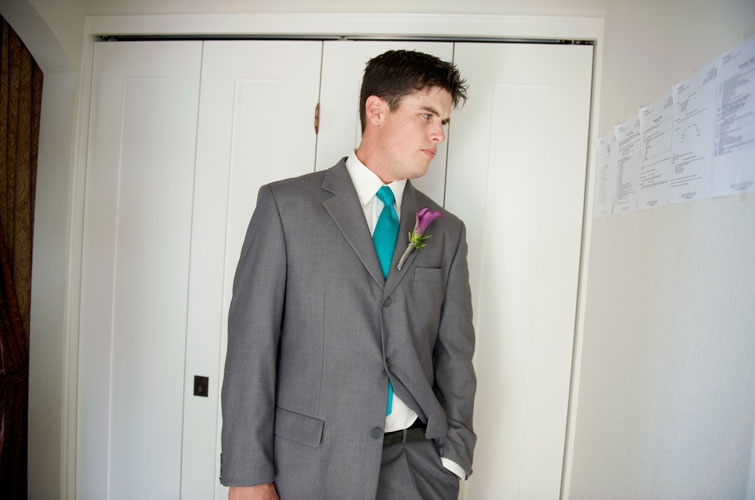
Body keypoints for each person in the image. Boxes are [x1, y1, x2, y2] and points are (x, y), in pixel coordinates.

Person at [220, 49, 476, 500]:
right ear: (376, 111)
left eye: (444, 122)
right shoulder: (285, 208)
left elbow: (455, 355)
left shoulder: (446, 230)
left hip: (416, 470)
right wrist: (247, 475)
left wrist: (453, 456)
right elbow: (251, 347)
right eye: (427, 116)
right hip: (308, 469)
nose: (439, 134)